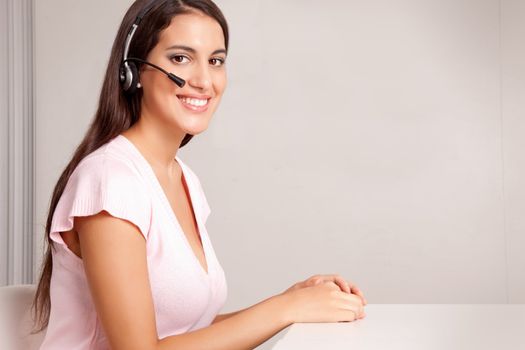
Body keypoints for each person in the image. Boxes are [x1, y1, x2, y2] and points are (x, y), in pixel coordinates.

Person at [31, 0, 368, 349]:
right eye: (180, 58)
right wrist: (283, 309)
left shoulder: (183, 178)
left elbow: (186, 333)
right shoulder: (110, 181)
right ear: (133, 72)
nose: (204, 80)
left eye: (216, 61)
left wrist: (294, 302)